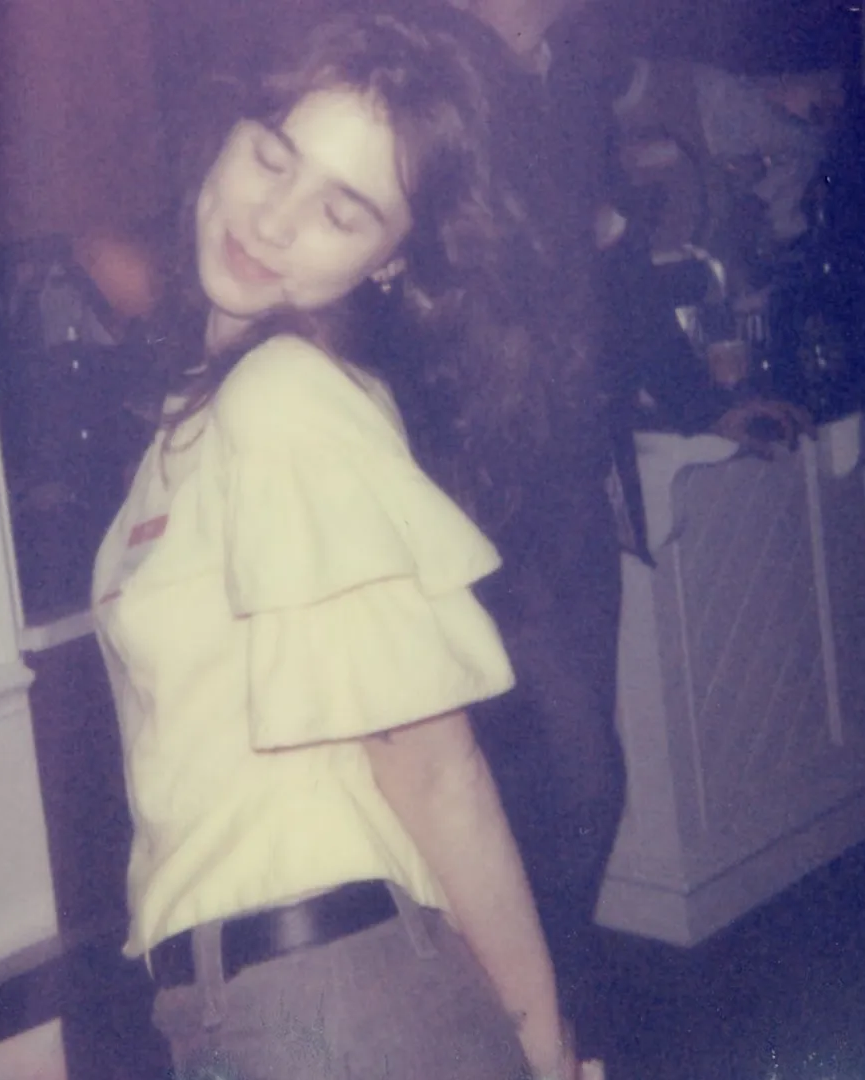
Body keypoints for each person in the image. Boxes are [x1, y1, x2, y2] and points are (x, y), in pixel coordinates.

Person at [91, 8, 591, 1079]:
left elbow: (437, 769)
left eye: (340, 211)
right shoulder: (204, 413)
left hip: (333, 1001)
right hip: (238, 1004)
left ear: (388, 263)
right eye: (274, 158)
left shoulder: (287, 401)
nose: (274, 221)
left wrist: (543, 1048)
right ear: (229, 134)